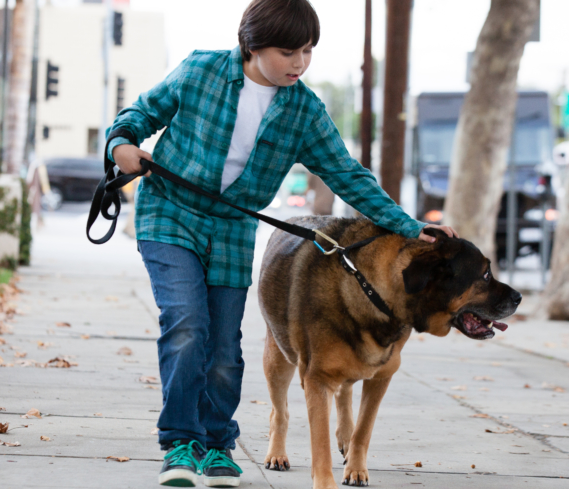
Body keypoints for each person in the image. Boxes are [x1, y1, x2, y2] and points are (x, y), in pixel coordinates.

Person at [105, 0, 457, 486]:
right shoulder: (200, 70)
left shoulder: (304, 111)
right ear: (252, 45)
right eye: (288, 51)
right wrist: (121, 142)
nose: (300, 63)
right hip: (170, 213)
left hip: (230, 229)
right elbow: (141, 113)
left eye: (308, 51)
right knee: (187, 325)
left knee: (226, 347)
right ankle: (180, 442)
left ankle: (215, 445)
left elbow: (346, 174)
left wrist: (407, 224)